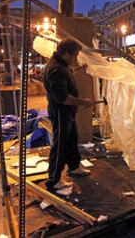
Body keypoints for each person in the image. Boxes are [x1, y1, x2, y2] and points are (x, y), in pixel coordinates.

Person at [43, 39, 93, 190]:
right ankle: (54, 179)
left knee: (71, 139)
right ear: (66, 54)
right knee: (60, 144)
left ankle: (74, 166)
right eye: (75, 55)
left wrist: (80, 69)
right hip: (61, 112)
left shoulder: (62, 65)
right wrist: (83, 102)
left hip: (66, 113)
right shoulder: (56, 70)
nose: (75, 59)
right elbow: (63, 98)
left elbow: (68, 72)